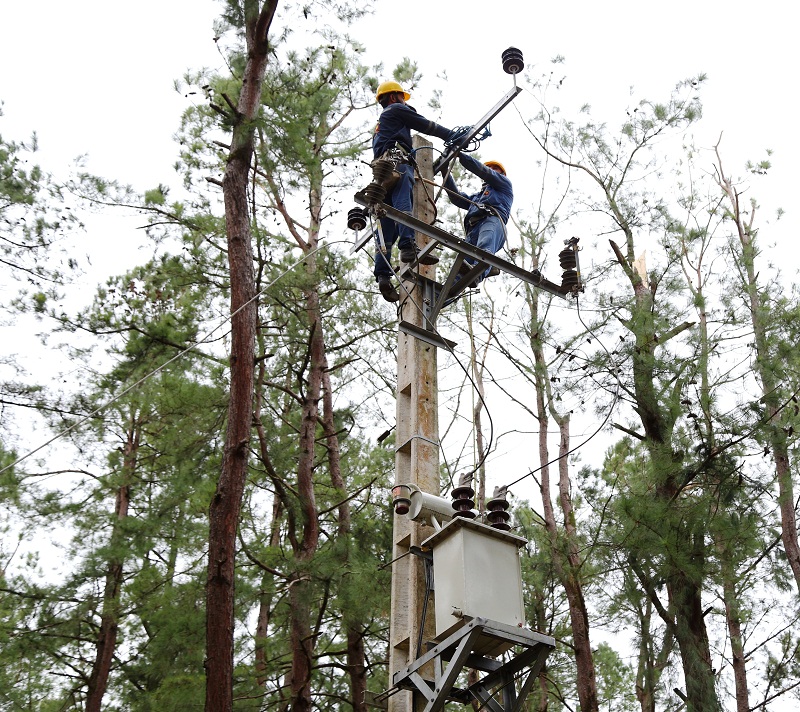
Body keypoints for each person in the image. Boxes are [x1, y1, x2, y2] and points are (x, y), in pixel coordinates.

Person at [372, 80, 454, 302]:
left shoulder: (381, 125)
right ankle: (408, 246)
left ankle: (382, 276)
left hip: (381, 171)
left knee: (385, 222)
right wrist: (452, 136)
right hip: (397, 163)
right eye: (401, 97)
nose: (404, 102)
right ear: (392, 97)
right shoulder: (396, 109)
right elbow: (426, 125)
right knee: (402, 200)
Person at [441, 154, 513, 285]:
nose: (490, 169)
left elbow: (483, 171)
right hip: (474, 230)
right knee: (460, 268)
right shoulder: (477, 197)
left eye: (494, 168)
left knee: (484, 248)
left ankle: (478, 274)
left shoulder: (504, 185)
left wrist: (460, 153)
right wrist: (444, 171)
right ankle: (441, 296)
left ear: (502, 174)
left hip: (491, 221)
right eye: (489, 167)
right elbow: (456, 198)